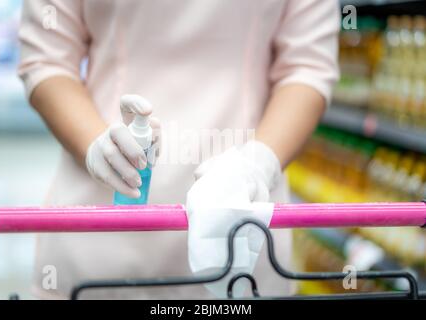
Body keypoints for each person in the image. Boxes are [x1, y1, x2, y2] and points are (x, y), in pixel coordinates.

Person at [18, 0, 339, 299]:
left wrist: (257, 164)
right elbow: (48, 59)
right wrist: (94, 145)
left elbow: (307, 68)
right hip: (106, 228)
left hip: (241, 224)